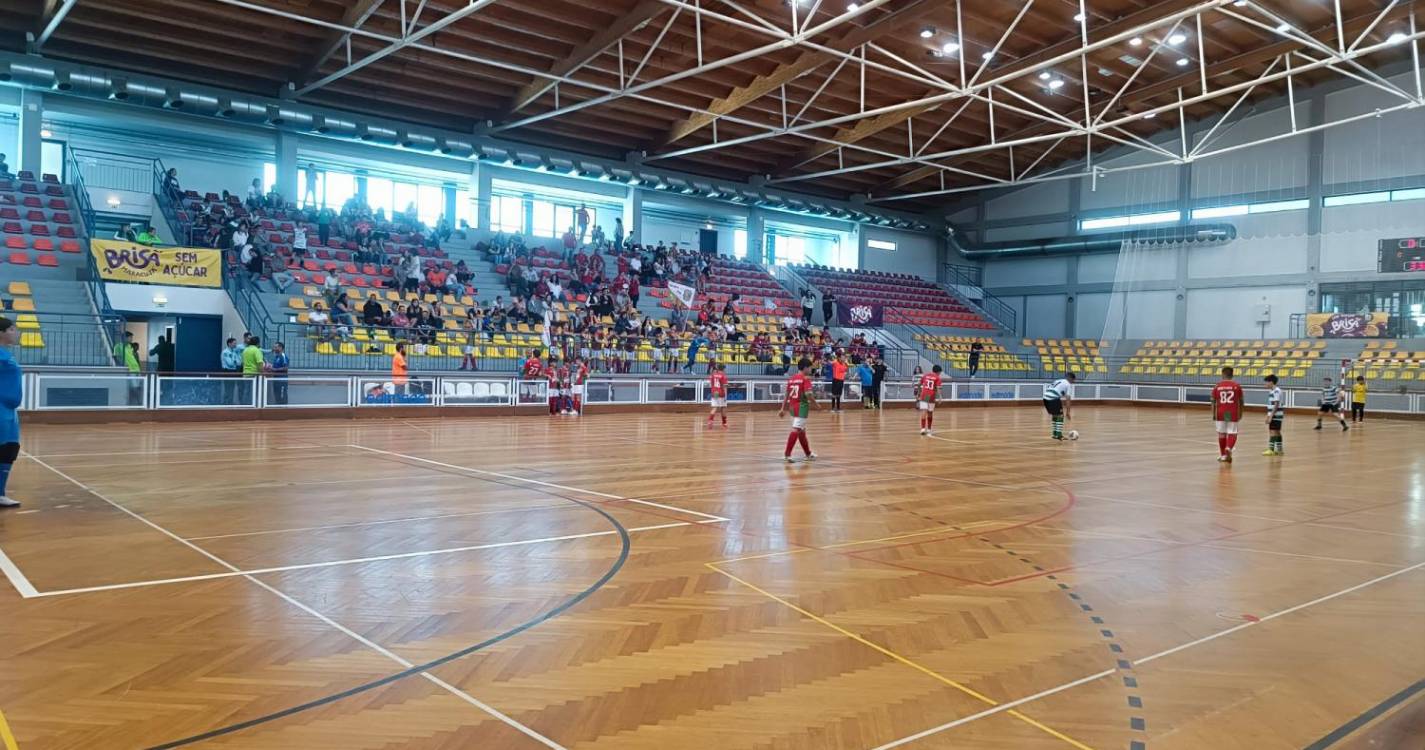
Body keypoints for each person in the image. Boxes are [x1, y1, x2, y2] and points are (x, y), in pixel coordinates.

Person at [779, 358, 818, 463]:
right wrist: (816, 404)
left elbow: (786, 394)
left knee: (801, 431)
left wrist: (782, 408)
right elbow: (808, 394)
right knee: (796, 429)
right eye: (810, 368)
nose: (811, 370)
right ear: (805, 368)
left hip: (792, 407)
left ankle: (808, 454)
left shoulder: (791, 379)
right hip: (802, 407)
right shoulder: (805, 379)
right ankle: (787, 454)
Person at [0, 318, 22, 508]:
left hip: (10, 410)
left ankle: (0, 493)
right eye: (12, 329)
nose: (16, 332)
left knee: (9, 449)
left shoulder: (7, 355)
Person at [1211, 366, 1244, 463]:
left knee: (1222, 433)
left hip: (1220, 411)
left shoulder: (1217, 386)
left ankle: (1223, 455)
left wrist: (1213, 413)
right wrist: (1240, 413)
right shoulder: (1236, 386)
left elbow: (1213, 401)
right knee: (1232, 432)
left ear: (1222, 374)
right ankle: (1229, 447)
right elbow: (1241, 401)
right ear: (1232, 375)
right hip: (1231, 412)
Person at [1043, 372, 1076, 441]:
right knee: (1060, 416)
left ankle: (1055, 434)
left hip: (1045, 398)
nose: (1073, 382)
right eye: (1073, 380)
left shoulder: (1058, 380)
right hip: (1053, 398)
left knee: (1055, 415)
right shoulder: (1068, 384)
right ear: (1070, 378)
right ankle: (1059, 435)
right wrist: (1068, 412)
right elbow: (1068, 400)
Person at [918, 364, 944, 436]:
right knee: (930, 412)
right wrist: (940, 397)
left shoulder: (925, 375)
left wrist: (918, 393)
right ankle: (929, 429)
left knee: (924, 411)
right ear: (938, 372)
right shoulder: (937, 378)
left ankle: (922, 429)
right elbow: (938, 388)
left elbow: (919, 384)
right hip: (931, 395)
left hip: (925, 395)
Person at [1263, 374, 1285, 456]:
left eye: (1266, 382)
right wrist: (1268, 415)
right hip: (1276, 414)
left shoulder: (1276, 391)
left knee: (1272, 431)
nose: (1265, 384)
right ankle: (1279, 450)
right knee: (1277, 432)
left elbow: (1276, 405)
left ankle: (1271, 449)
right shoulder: (1272, 391)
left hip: (1276, 414)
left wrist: (1271, 416)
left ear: (1271, 382)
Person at [220, 337, 242, 405]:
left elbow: (239, 362)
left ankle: (230, 403)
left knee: (232, 388)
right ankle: (226, 403)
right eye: (234, 343)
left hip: (234, 371)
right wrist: (235, 361)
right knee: (228, 389)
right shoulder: (226, 352)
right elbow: (230, 364)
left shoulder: (234, 351)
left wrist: (235, 361)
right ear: (229, 344)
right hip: (227, 371)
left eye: (236, 343)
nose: (236, 345)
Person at [707, 361, 729, 429]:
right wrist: (725, 396)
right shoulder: (724, 376)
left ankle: (710, 420)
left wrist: (714, 388)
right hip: (721, 393)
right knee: (723, 408)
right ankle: (724, 423)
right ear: (723, 369)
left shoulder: (712, 375)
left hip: (715, 392)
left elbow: (709, 383)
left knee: (714, 407)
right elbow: (725, 386)